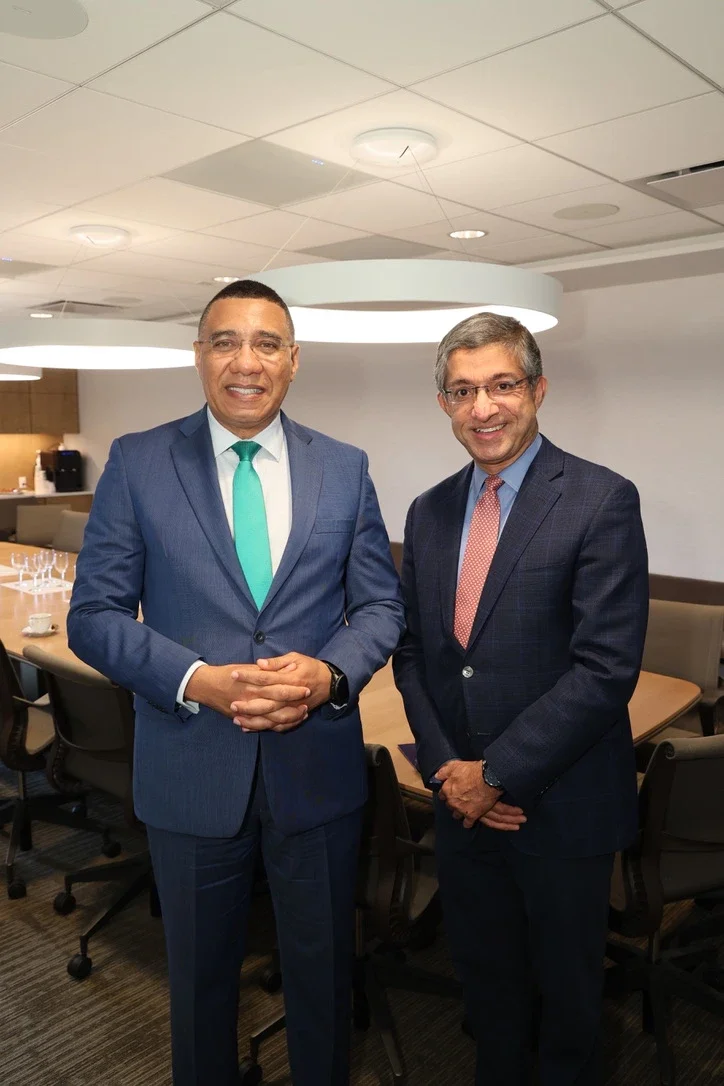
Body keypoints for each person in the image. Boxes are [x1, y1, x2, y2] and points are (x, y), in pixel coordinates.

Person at [67, 279, 404, 1086]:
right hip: (191, 767)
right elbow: (95, 616)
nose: (244, 361)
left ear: (293, 361)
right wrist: (193, 678)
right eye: (224, 341)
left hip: (315, 773)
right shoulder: (141, 462)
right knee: (199, 988)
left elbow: (381, 607)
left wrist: (329, 674)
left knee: (323, 984)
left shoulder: (346, 469)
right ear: (198, 356)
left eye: (264, 343)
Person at [393, 313, 649, 1086]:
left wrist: (495, 773)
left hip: (561, 806)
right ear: (444, 402)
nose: (484, 408)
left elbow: (604, 670)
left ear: (537, 389)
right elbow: (415, 656)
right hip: (462, 809)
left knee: (569, 1000)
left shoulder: (600, 500)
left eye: (502, 385)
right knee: (488, 985)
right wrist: (448, 770)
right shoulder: (428, 511)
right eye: (463, 390)